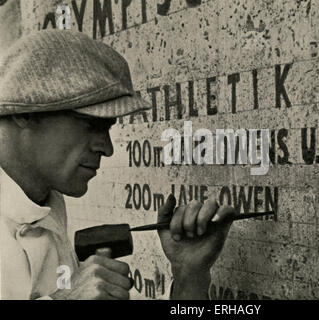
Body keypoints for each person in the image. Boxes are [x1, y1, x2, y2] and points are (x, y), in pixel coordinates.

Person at [0, 29, 236, 300]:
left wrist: (188, 276)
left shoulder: (44, 208)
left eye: (108, 128)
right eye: (91, 124)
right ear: (26, 113)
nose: (107, 148)